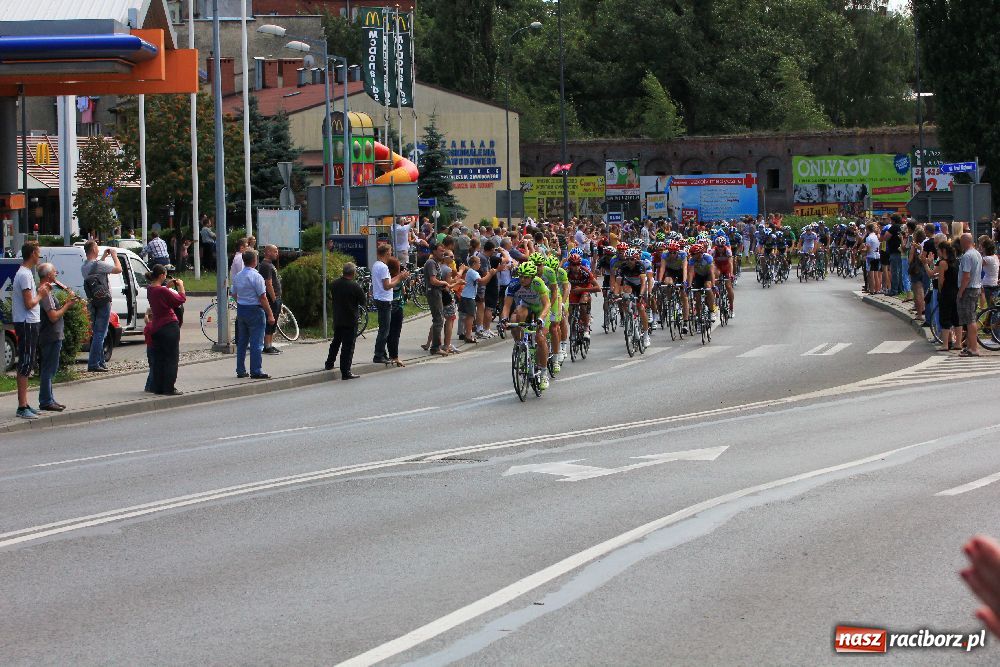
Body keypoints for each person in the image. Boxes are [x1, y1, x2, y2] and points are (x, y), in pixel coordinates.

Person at [12, 242, 49, 419]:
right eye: (38, 252)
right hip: (26, 322)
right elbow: (29, 303)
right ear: (33, 253)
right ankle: (22, 406)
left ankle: (25, 403)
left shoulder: (25, 273)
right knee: (25, 362)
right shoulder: (25, 275)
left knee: (28, 361)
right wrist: (41, 294)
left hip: (29, 322)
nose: (39, 256)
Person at [36, 263, 76, 412]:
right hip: (50, 334)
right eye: (54, 272)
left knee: (50, 368)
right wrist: (68, 305)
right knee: (49, 368)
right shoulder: (45, 292)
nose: (56, 274)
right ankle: (46, 401)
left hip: (51, 334)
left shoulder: (47, 290)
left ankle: (49, 398)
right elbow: (53, 316)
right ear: (48, 275)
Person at [232, 249, 275, 380]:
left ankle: (240, 370)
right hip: (255, 310)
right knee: (256, 342)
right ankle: (256, 370)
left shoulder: (238, 276)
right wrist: (270, 314)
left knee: (242, 342)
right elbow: (262, 297)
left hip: (241, 309)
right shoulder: (256, 277)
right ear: (255, 261)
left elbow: (233, 293)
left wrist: (240, 300)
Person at [81, 241, 122, 372]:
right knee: (100, 333)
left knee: (98, 332)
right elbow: (118, 269)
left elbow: (97, 271)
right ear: (93, 249)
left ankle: (100, 361)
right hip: (104, 301)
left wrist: (104, 257)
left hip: (93, 301)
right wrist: (114, 256)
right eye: (97, 248)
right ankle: (93, 363)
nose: (98, 250)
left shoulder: (85, 266)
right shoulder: (98, 265)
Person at [146, 265, 186, 394]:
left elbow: (161, 295)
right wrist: (180, 286)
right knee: (171, 358)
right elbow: (181, 299)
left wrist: (167, 286)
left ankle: (157, 387)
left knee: (159, 359)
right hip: (169, 326)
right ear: (162, 275)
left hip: (156, 327)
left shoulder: (150, 289)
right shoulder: (162, 291)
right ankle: (169, 388)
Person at [325, 263, 367, 379]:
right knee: (348, 347)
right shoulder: (355, 286)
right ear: (353, 273)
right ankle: (345, 371)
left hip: (338, 317)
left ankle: (329, 363)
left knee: (336, 342)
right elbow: (363, 301)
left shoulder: (335, 284)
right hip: (350, 319)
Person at [372, 244, 409, 363]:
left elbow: (388, 281)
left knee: (384, 329)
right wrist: (400, 278)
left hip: (380, 298)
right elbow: (387, 286)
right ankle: (378, 355)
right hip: (384, 300)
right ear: (387, 253)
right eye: (390, 252)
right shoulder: (383, 267)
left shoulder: (377, 265)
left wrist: (399, 276)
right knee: (384, 330)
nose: (391, 253)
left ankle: (382, 354)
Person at [957, 232, 983, 356]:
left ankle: (974, 348)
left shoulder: (967, 256)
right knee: (970, 318)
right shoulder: (977, 253)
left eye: (961, 242)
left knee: (970, 320)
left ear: (965, 242)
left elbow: (966, 277)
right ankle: (969, 346)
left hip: (969, 289)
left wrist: (960, 292)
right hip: (976, 287)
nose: (960, 244)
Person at [422, 243, 449, 356]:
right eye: (440, 251)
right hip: (433, 292)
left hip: (436, 292)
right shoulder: (431, 263)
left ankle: (436, 345)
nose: (443, 253)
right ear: (434, 251)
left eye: (443, 251)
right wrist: (444, 282)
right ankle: (436, 347)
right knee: (438, 319)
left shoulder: (435, 263)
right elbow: (433, 280)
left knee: (439, 319)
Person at [933, 239, 960, 352]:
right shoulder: (956, 261)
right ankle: (958, 343)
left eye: (938, 250)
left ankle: (945, 344)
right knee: (956, 318)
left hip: (946, 292)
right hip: (956, 292)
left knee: (945, 318)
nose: (937, 252)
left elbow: (941, 280)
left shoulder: (943, 263)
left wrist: (940, 290)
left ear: (943, 250)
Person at [258, 245, 283, 355]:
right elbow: (268, 283)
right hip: (272, 299)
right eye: (275, 251)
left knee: (273, 323)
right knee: (270, 321)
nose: (277, 253)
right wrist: (274, 299)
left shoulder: (270, 265)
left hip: (276, 298)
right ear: (268, 252)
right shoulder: (265, 266)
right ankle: (266, 346)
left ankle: (270, 344)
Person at [385, 257, 407, 367]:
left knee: (387, 333)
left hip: (387, 307)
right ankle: (394, 356)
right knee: (395, 333)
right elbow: (403, 291)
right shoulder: (397, 280)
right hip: (397, 308)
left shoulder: (387, 278)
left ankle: (387, 354)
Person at [980, 236, 998, 307]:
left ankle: (982, 310)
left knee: (990, 306)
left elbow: (976, 265)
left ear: (985, 248)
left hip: (988, 283)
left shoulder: (987, 259)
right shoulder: (995, 257)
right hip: (994, 282)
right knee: (992, 306)